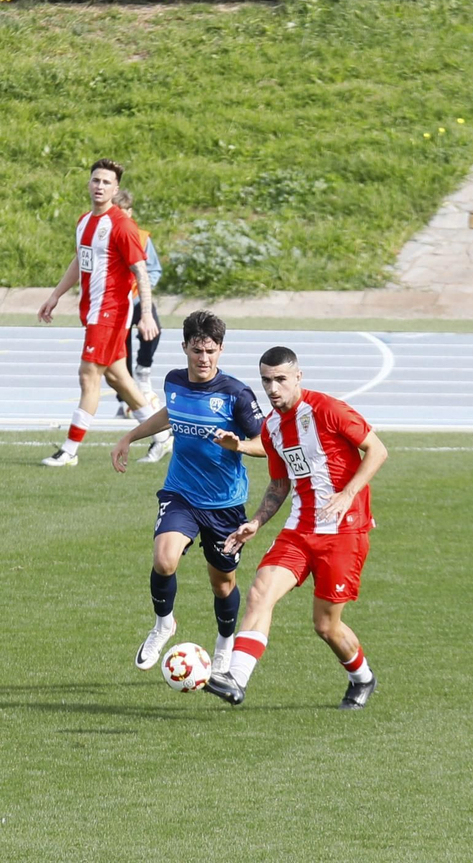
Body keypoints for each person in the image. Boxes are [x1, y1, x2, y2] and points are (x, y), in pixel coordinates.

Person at [204, 346, 388, 710]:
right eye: (266, 381)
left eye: (280, 380)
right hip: (299, 530)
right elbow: (278, 485)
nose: (273, 389)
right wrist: (255, 522)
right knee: (260, 592)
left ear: (298, 377)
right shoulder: (271, 427)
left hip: (343, 533)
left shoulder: (328, 410)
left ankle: (362, 677)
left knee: (326, 626)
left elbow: (377, 450)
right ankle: (236, 679)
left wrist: (348, 494)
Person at [110, 310, 264, 674]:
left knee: (223, 584)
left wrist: (237, 445)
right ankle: (164, 624)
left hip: (225, 503)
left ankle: (224, 644)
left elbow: (267, 444)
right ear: (185, 348)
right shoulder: (174, 382)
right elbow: (171, 413)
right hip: (181, 493)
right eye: (197, 350)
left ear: (221, 350)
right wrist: (130, 436)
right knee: (164, 559)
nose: (204, 358)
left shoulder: (236, 395)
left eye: (211, 351)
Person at [36, 159, 168, 467]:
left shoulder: (121, 225)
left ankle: (69, 451)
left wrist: (145, 314)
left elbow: (141, 272)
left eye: (106, 183)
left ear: (115, 189)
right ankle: (162, 435)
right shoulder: (84, 221)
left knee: (88, 375)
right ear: (89, 183)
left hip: (110, 312)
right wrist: (55, 295)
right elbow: (79, 262)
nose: (100, 186)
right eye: (96, 180)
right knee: (117, 377)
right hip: (93, 312)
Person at [110, 190, 166, 442]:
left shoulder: (141, 237)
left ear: (130, 213)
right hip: (114, 301)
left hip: (136, 297)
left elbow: (152, 269)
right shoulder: (106, 235)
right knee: (120, 347)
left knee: (152, 330)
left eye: (122, 213)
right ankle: (126, 397)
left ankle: (143, 372)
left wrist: (142, 288)